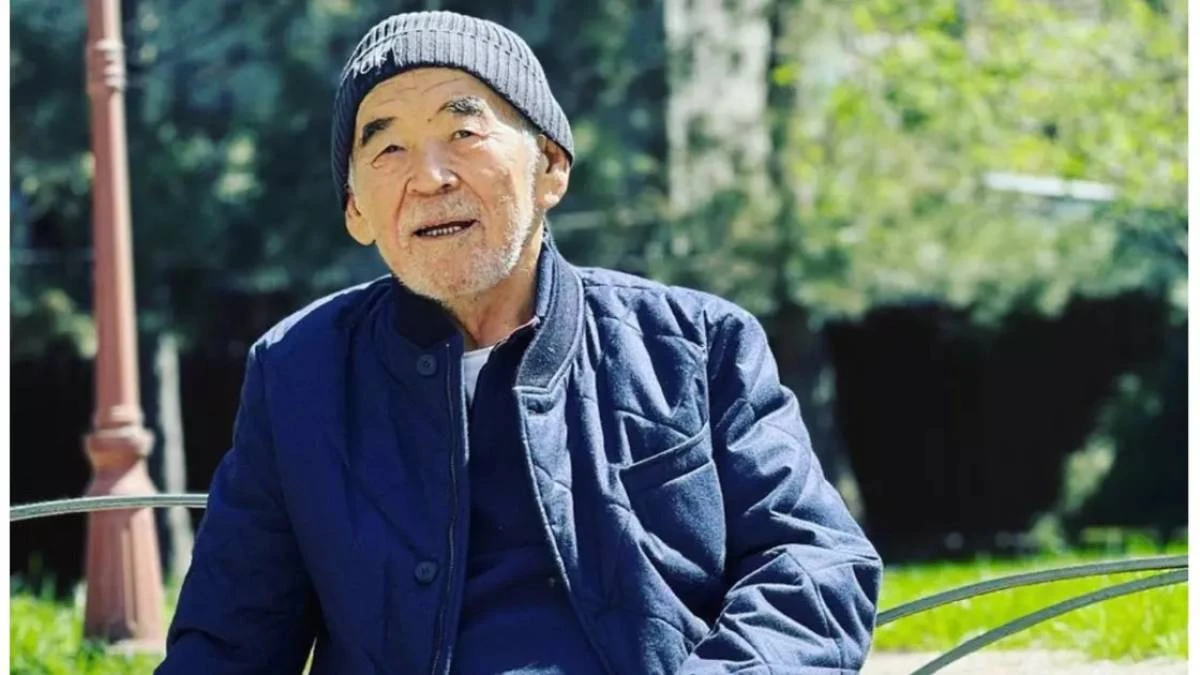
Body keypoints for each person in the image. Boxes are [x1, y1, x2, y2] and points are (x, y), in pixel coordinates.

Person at [157, 10, 881, 675]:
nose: (430, 177)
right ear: (356, 212)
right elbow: (227, 641)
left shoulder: (695, 345)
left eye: (464, 133)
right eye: (388, 148)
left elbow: (814, 562)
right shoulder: (299, 373)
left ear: (551, 168)